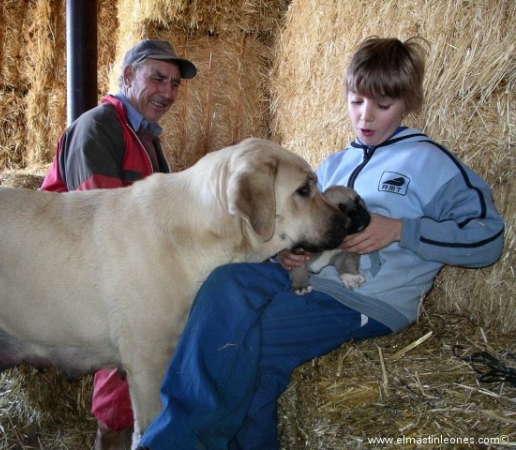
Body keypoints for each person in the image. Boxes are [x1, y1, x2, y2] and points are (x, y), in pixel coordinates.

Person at [136, 36, 505, 449]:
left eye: (382, 106)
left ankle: (166, 442)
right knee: (224, 283)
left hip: (361, 299)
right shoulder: (331, 165)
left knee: (247, 349)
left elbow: (487, 238)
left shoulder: (430, 162)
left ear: (408, 103)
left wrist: (402, 230)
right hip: (301, 279)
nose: (365, 117)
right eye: (356, 102)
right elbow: (292, 229)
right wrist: (288, 250)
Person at [39, 39, 197, 450]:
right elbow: (102, 228)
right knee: (130, 344)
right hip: (72, 270)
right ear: (127, 76)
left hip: (115, 270)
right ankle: (113, 434)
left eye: (175, 84)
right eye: (158, 78)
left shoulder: (145, 137)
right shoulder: (98, 127)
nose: (168, 92)